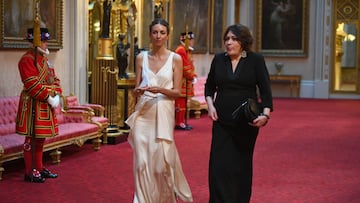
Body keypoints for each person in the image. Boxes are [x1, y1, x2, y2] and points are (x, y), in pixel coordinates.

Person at [125, 18, 193, 203]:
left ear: (167, 35)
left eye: (162, 32)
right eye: (155, 32)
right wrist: (138, 91)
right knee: (141, 164)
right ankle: (142, 200)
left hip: (163, 112)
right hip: (143, 114)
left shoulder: (175, 58)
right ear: (150, 34)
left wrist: (160, 89)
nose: (158, 36)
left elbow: (177, 92)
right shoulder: (141, 57)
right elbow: (136, 89)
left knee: (160, 166)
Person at [205, 24, 273, 202]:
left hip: (246, 123)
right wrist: (210, 105)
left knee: (240, 166)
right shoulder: (219, 59)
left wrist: (265, 115)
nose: (229, 42)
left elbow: (265, 91)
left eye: (233, 39)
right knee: (218, 166)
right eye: (227, 39)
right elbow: (209, 87)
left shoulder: (254, 60)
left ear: (243, 41)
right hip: (221, 121)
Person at [16, 28, 62, 183]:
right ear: (35, 42)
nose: (46, 43)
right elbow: (32, 85)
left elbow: (55, 80)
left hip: (44, 103)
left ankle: (40, 167)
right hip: (32, 104)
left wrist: (55, 94)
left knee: (41, 138)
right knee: (31, 138)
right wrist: (49, 95)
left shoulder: (45, 60)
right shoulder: (26, 60)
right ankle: (30, 171)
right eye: (43, 40)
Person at [174, 31, 197, 130]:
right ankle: (179, 122)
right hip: (181, 80)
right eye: (191, 40)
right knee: (180, 102)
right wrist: (191, 76)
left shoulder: (187, 50)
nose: (192, 42)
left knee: (183, 101)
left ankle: (182, 121)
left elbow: (191, 65)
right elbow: (184, 67)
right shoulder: (181, 50)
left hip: (186, 80)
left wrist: (193, 75)